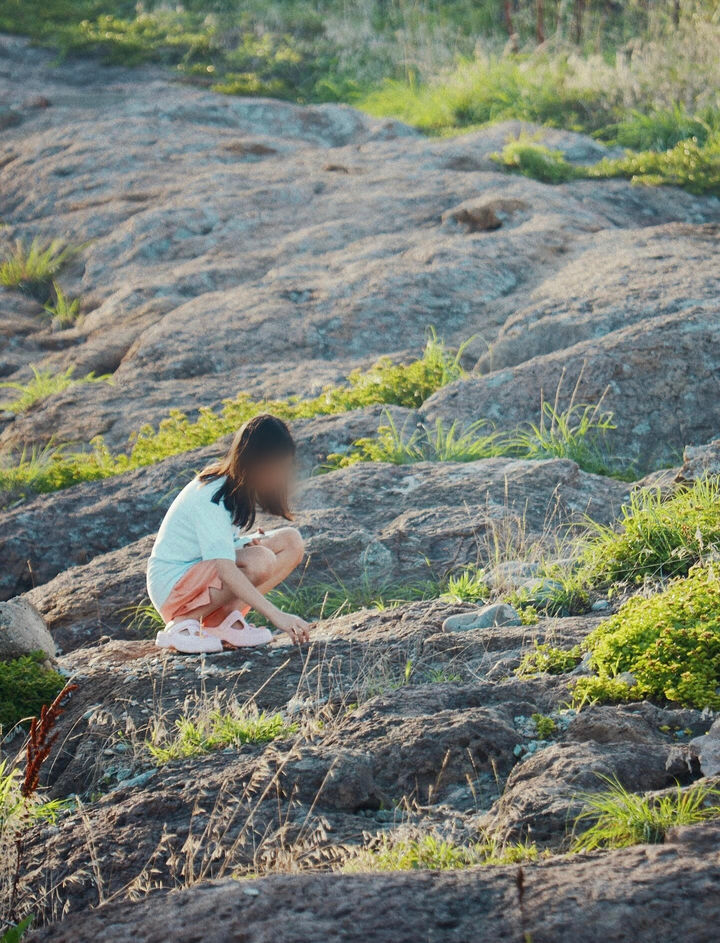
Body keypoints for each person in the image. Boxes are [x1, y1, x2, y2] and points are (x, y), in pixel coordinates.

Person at [146, 414, 311, 653]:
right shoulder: (213, 496)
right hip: (173, 585)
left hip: (198, 571)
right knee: (260, 559)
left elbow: (216, 548)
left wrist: (243, 543)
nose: (279, 478)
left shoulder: (237, 489)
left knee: (290, 541)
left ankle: (222, 621)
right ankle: (181, 624)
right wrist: (278, 616)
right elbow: (225, 568)